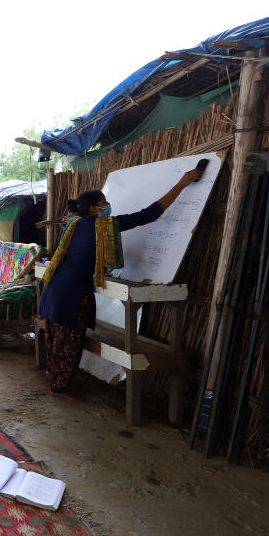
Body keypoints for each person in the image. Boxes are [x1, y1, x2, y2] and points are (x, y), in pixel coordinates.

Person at [39, 169, 204, 398]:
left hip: (55, 287)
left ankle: (53, 374)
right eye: (104, 203)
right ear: (94, 209)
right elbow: (150, 214)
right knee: (70, 342)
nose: (108, 206)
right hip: (73, 294)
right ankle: (59, 388)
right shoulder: (103, 226)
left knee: (56, 336)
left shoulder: (74, 226)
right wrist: (182, 183)